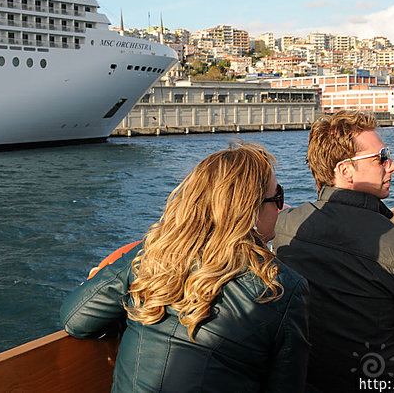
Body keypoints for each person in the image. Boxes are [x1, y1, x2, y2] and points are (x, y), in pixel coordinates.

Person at [61, 143, 310, 392]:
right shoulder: (282, 289)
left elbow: (75, 320)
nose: (281, 208)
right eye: (278, 197)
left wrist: (136, 314)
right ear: (250, 210)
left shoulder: (153, 254)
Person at [273, 110, 394, 393]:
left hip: (304, 378)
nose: (391, 165)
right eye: (381, 157)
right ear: (345, 171)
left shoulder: (284, 226)